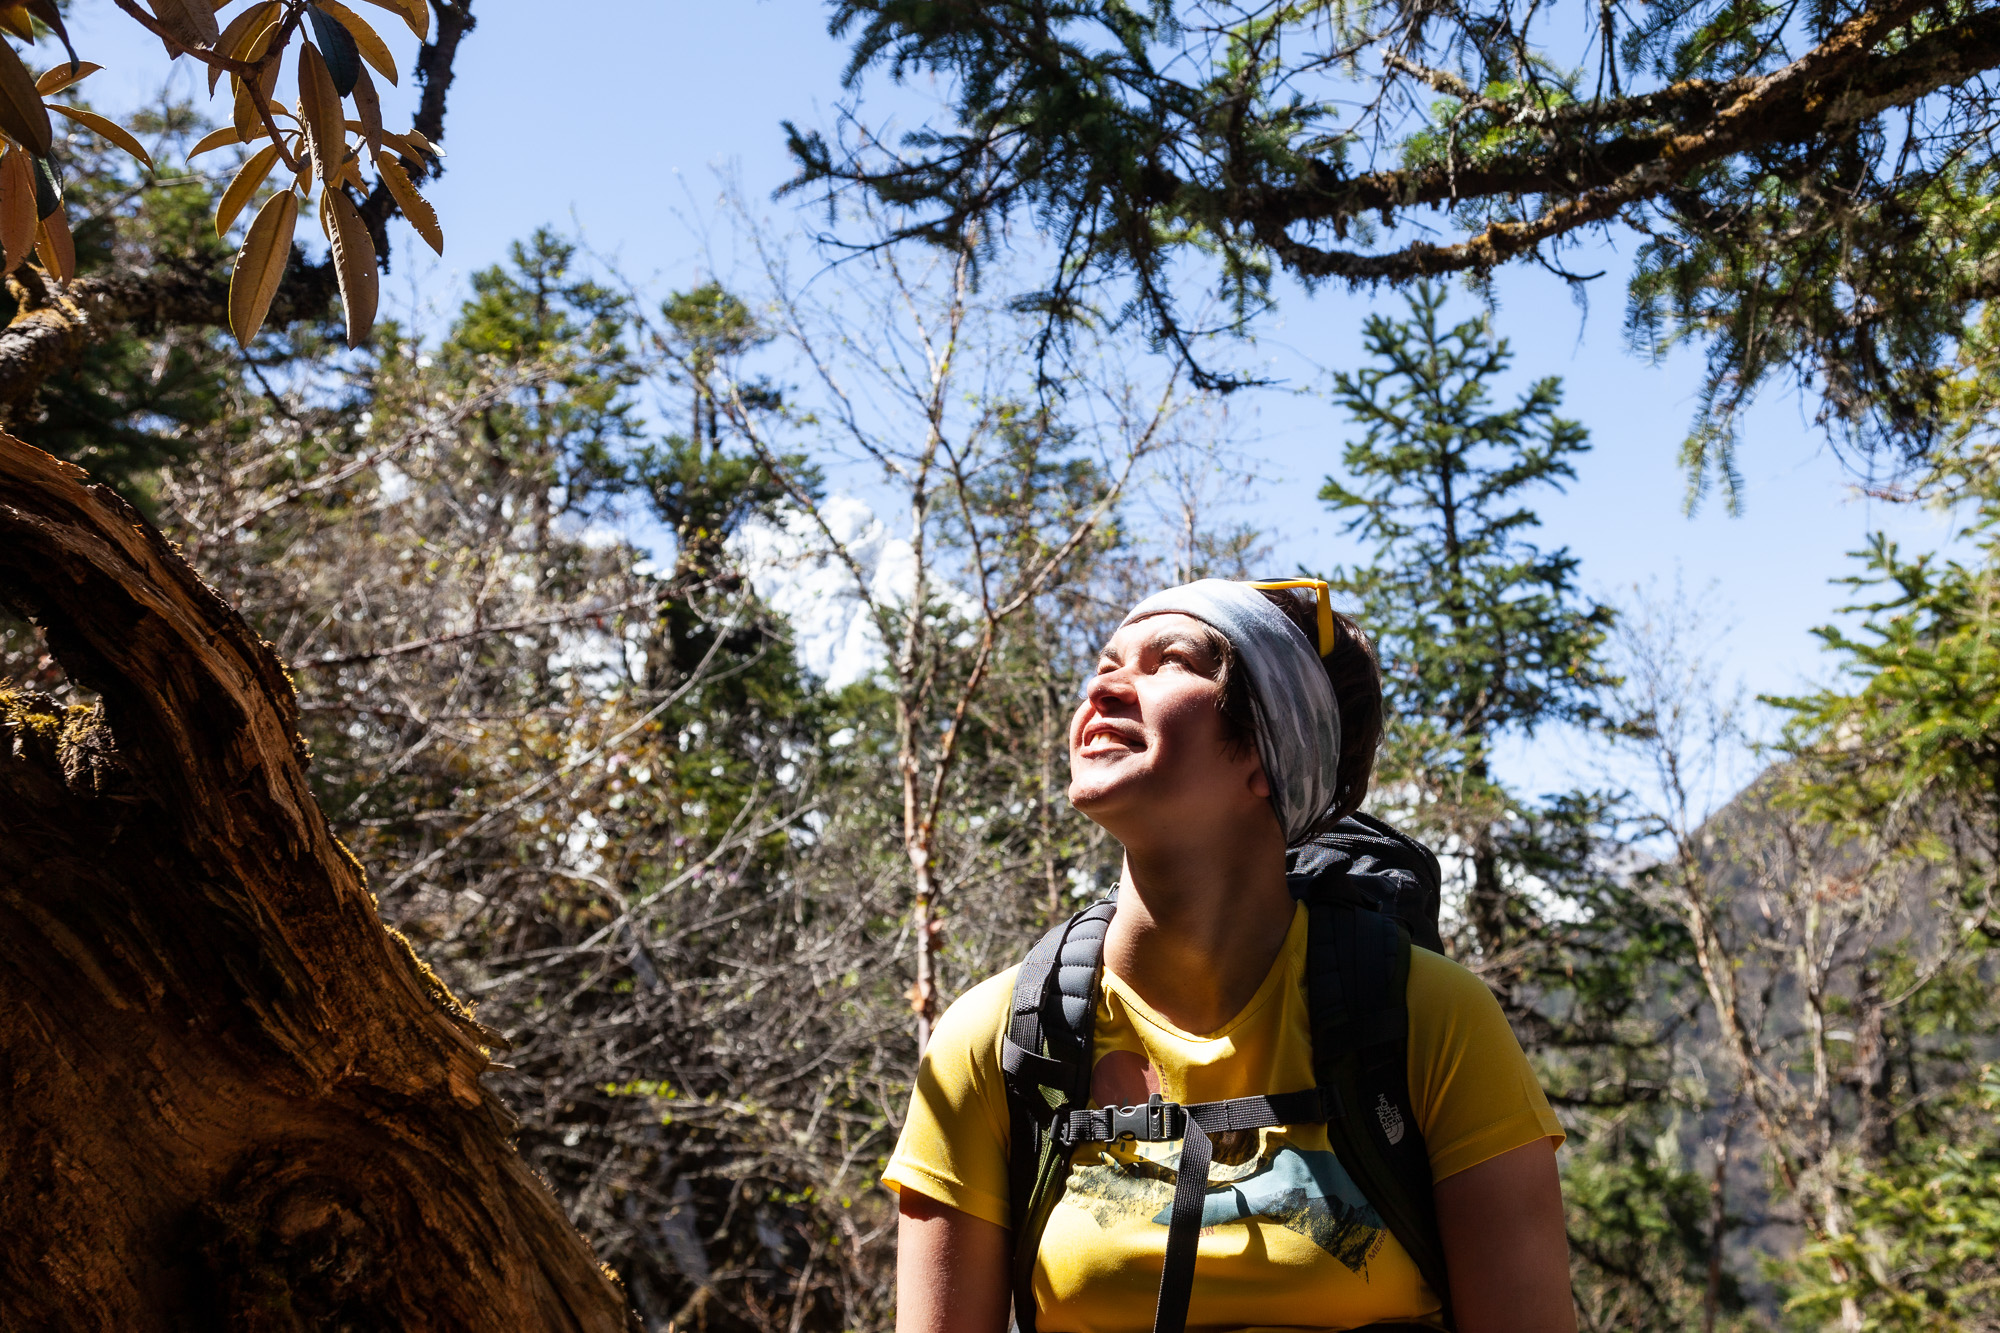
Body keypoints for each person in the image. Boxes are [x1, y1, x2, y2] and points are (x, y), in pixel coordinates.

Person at [883, 579, 1575, 1333]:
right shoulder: (1002, 1038)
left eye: (1170, 662)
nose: (1103, 688)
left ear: (1268, 754)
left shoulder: (1428, 1018)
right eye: (1107, 664)